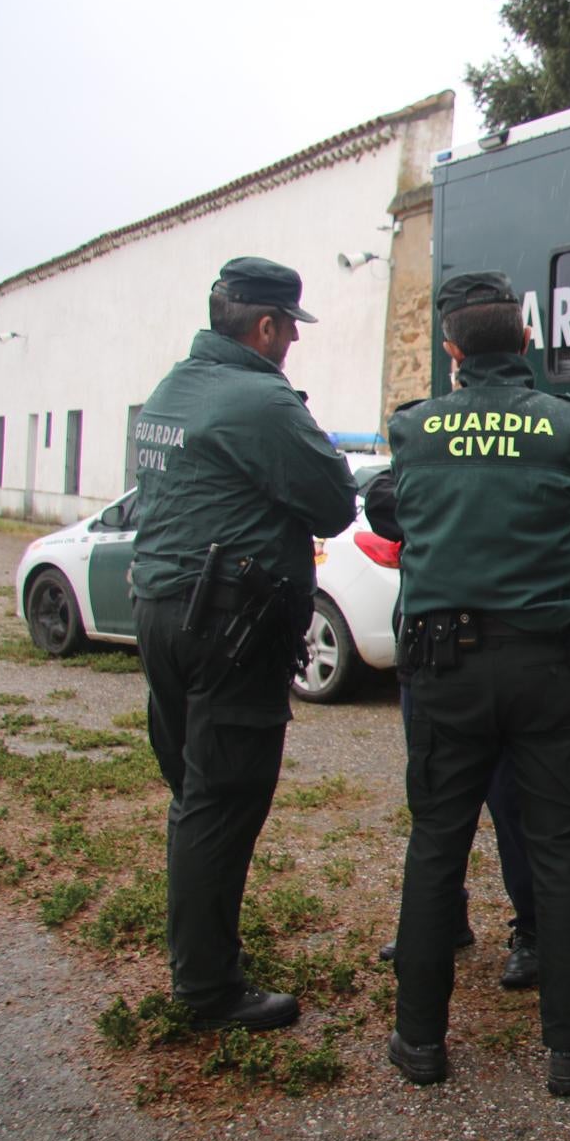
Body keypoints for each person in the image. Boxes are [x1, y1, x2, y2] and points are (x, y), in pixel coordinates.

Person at [384, 271, 570, 1094]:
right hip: (544, 667)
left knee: (435, 846)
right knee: (558, 849)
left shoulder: (414, 431)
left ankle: (418, 1043)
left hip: (442, 666)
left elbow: (402, 518)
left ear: (452, 351)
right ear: (526, 341)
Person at [130, 257, 357, 1031]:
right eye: (291, 325)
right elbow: (332, 501)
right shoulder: (258, 399)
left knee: (197, 799)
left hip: (162, 612)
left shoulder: (173, 389)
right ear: (266, 326)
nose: (293, 338)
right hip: (228, 630)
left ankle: (205, 960)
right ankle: (207, 993)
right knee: (220, 804)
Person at [364, 466, 538, 989]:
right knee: (435, 803)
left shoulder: (522, 438)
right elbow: (381, 501)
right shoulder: (428, 434)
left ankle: (532, 931)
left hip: (501, 650)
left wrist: (447, 505)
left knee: (511, 802)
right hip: (427, 652)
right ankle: (443, 918)